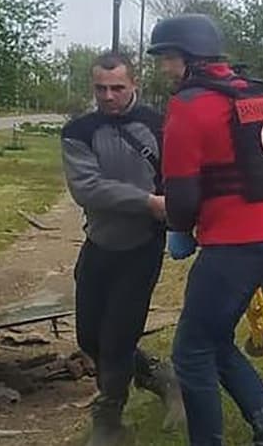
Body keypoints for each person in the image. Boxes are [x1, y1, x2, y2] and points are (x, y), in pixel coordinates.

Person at [148, 14, 263, 446]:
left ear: (188, 57)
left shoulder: (188, 105)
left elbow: (180, 197)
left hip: (232, 246)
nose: (164, 68)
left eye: (167, 58)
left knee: (190, 352)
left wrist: (180, 228)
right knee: (216, 341)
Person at [60, 52, 184, 446]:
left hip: (142, 246)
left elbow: (179, 177)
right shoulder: (79, 130)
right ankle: (158, 375)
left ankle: (109, 421)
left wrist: (172, 212)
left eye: (117, 88)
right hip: (99, 241)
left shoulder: (159, 125)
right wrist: (149, 201)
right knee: (88, 337)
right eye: (101, 88)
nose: (109, 96)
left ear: (134, 86)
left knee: (116, 336)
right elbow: (87, 188)